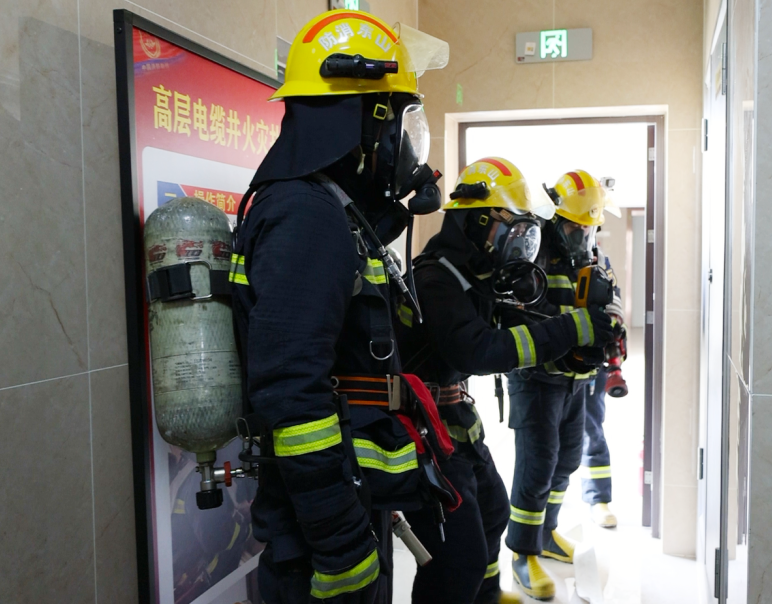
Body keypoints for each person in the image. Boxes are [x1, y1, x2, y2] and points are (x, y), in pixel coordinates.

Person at [229, 10, 453, 603]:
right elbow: (292, 391)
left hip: (342, 503)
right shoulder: (306, 214)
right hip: (320, 542)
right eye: (401, 120)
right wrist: (342, 544)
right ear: (366, 119)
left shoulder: (324, 209)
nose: (406, 144)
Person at [396, 157, 615, 604]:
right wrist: (573, 329)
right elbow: (479, 350)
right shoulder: (435, 278)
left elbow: (513, 320)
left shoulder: (470, 277)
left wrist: (582, 338)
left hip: (454, 416)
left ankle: (488, 596)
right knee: (459, 555)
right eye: (510, 230)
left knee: (494, 511)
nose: (517, 244)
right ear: (479, 222)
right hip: (422, 427)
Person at [504, 169, 618, 600]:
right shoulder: (531, 253)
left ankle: (547, 532)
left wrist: (611, 325)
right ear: (556, 221)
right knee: (537, 465)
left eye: (589, 228)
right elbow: (518, 313)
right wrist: (575, 327)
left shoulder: (590, 255)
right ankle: (523, 552)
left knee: (567, 459)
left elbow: (605, 300)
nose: (582, 235)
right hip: (537, 379)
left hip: (576, 380)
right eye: (574, 228)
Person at [581, 251, 626, 529]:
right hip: (551, 360)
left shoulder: (599, 259)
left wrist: (615, 329)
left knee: (592, 428)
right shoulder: (541, 247)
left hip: (591, 357)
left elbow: (614, 301)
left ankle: (598, 499)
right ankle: (547, 509)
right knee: (549, 441)